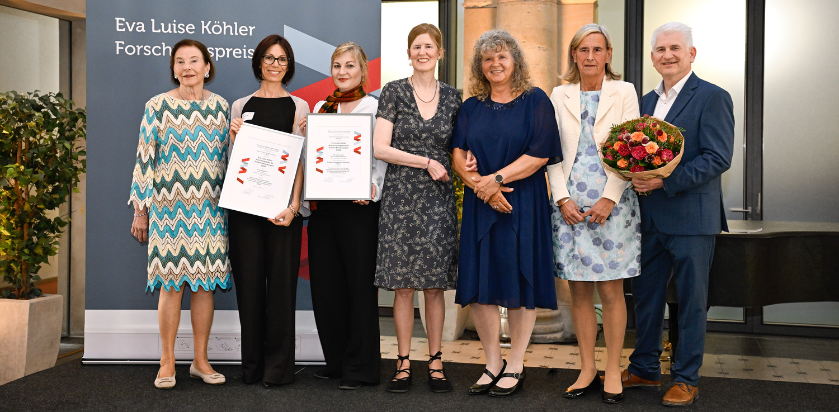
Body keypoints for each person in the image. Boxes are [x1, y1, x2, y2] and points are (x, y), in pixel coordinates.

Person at [624, 22, 734, 407]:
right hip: (648, 218)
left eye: (674, 48)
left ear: (691, 54)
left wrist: (664, 183)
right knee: (646, 298)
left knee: (690, 301)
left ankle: (686, 377)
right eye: (659, 49)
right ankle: (645, 368)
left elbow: (718, 158)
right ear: (652, 57)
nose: (666, 55)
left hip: (692, 218)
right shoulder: (644, 102)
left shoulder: (713, 96)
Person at [451, 29, 562, 397]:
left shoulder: (535, 101)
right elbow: (457, 153)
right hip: (483, 206)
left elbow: (541, 153)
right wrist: (482, 188)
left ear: (515, 60)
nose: (495, 64)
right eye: (487, 58)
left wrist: (494, 180)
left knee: (520, 280)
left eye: (502, 56)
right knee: (482, 286)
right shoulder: (471, 106)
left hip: (522, 203)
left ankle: (516, 362)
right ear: (479, 66)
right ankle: (492, 362)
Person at [547, 24, 641, 404]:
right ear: (573, 54)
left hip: (612, 204)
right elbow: (551, 151)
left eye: (597, 49)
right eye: (583, 49)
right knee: (579, 290)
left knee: (612, 289)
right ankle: (587, 368)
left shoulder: (625, 91)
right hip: (569, 206)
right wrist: (561, 199)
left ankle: (614, 369)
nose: (589, 56)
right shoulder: (560, 93)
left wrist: (609, 197)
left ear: (608, 54)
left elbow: (633, 146)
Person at [129, 39, 229, 389]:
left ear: (207, 67)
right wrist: (141, 211)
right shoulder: (157, 105)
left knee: (204, 287)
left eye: (194, 61)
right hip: (168, 210)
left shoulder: (221, 107)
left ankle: (200, 361)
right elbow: (144, 159)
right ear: (174, 69)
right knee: (170, 286)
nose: (187, 67)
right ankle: (167, 361)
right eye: (180, 61)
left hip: (210, 210)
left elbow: (231, 158)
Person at [372, 23, 461, 394]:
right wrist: (425, 161)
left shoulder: (455, 98)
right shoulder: (393, 92)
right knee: (404, 287)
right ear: (409, 54)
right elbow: (380, 147)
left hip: (438, 200)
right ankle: (404, 362)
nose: (422, 52)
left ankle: (436, 361)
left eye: (429, 46)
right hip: (400, 198)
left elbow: (460, 149)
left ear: (440, 53)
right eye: (416, 47)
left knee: (435, 287)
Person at [298, 42, 386, 390]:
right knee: (327, 286)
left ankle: (361, 369)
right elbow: (312, 158)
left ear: (363, 71)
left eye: (350, 66)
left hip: (359, 209)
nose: (343, 72)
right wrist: (307, 135)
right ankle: (336, 362)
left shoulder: (374, 108)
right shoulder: (322, 107)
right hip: (325, 210)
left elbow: (379, 158)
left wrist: (372, 188)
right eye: (337, 66)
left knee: (359, 288)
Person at [228, 34, 311, 388]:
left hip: (284, 215)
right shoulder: (239, 105)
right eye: (269, 58)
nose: (275, 64)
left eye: (282, 59)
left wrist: (294, 208)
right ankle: (252, 368)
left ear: (288, 65)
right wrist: (235, 141)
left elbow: (299, 161)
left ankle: (278, 370)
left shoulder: (300, 106)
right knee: (248, 289)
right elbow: (237, 165)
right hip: (245, 213)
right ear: (258, 62)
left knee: (280, 291)